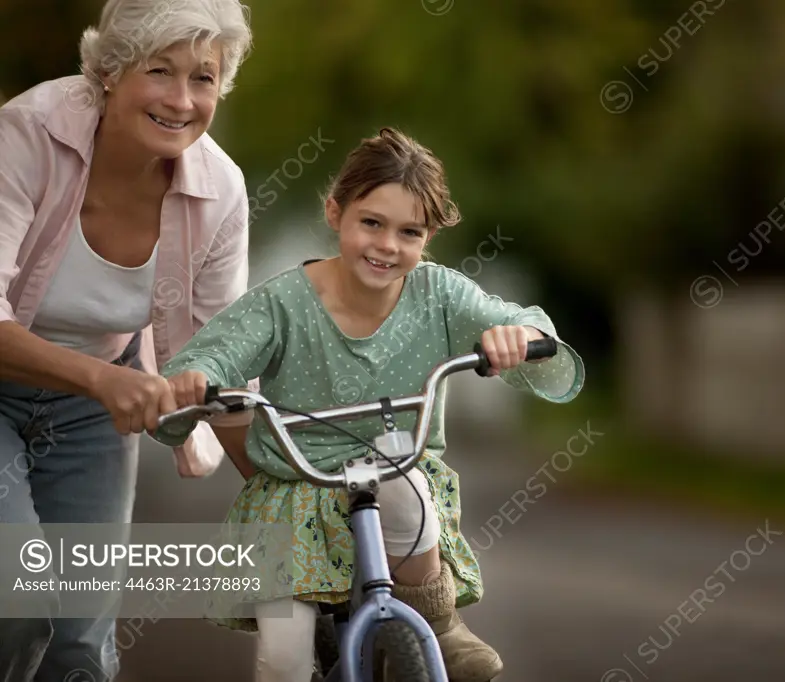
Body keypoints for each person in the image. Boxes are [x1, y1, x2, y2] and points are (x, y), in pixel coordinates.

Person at [153, 127, 585, 682]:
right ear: (336, 213)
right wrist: (196, 379)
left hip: (396, 469)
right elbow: (213, 356)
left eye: (410, 232)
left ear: (429, 237)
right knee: (282, 660)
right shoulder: (284, 302)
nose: (387, 245)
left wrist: (517, 337)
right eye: (371, 223)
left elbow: (527, 322)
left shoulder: (440, 293)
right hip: (294, 494)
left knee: (405, 487)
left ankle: (438, 620)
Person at [0, 1, 255, 679]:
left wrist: (278, 486)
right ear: (110, 71)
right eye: (160, 70)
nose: (181, 99)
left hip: (93, 412)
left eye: (203, 77)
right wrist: (105, 380)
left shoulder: (220, 190)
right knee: (18, 603)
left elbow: (221, 352)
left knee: (81, 644)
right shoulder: (27, 133)